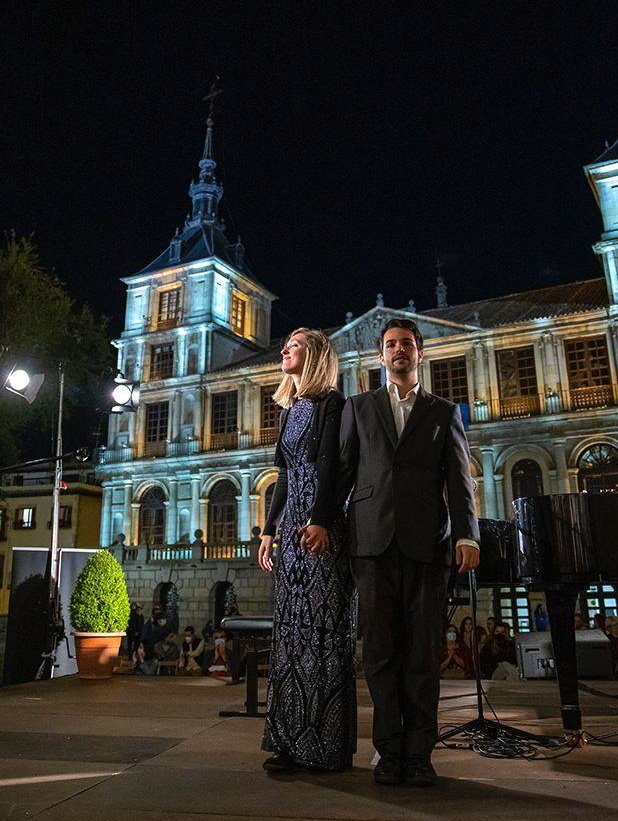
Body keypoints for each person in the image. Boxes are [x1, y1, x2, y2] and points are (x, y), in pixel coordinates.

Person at [339, 317, 479, 787]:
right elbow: (342, 475)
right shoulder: (358, 407)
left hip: (427, 544)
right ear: (380, 356)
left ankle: (420, 754)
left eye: (407, 344)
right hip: (372, 544)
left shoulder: (443, 412)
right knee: (379, 654)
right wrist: (321, 523)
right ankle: (389, 751)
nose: (399, 350)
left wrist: (467, 535)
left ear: (421, 353)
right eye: (391, 344)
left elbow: (460, 480)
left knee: (422, 654)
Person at [258, 327, 356, 774]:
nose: (284, 350)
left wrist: (320, 520)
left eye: (293, 346)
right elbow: (282, 473)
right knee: (291, 633)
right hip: (293, 528)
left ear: (313, 354)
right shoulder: (290, 409)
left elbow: (334, 466)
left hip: (321, 526)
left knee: (322, 632)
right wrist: (267, 531)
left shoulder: (331, 403)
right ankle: (289, 740)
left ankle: (325, 743)